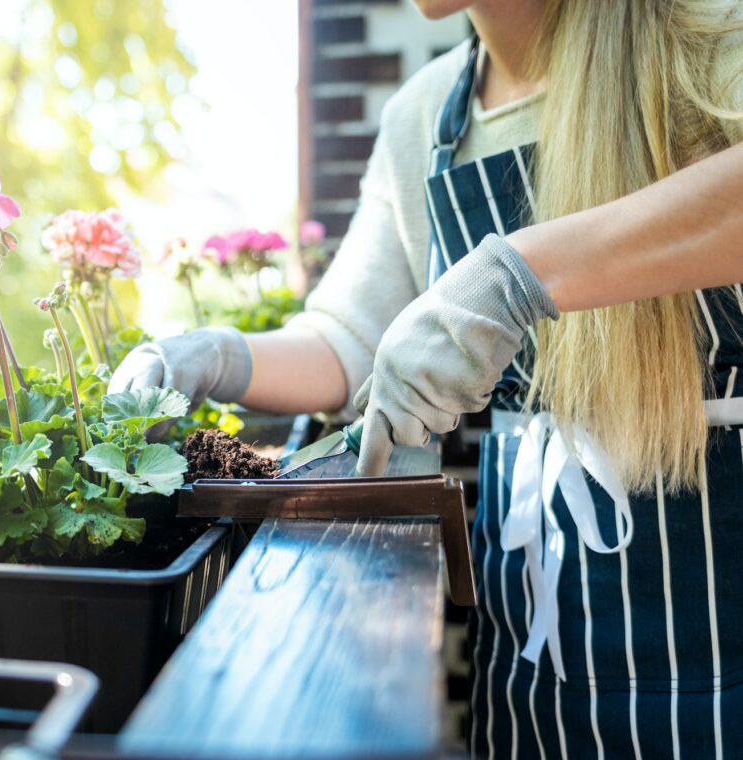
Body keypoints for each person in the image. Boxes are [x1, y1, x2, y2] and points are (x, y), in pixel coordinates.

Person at [110, 1, 743, 756]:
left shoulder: (709, 36)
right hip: (534, 660)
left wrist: (520, 276)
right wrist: (211, 357)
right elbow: (348, 340)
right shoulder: (425, 116)